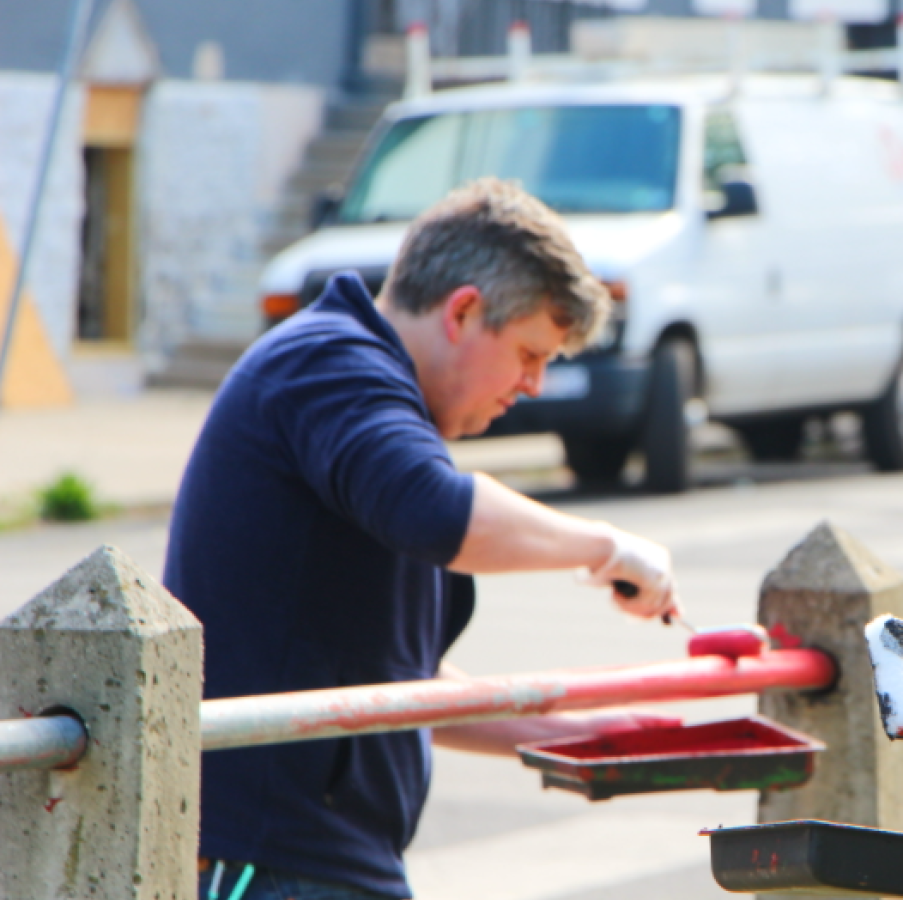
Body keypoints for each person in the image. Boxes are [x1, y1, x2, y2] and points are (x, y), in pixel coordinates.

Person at [165, 178, 685, 900]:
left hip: (323, 863)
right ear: (464, 311)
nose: (533, 385)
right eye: (530, 353)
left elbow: (395, 684)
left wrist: (577, 732)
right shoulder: (328, 368)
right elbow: (441, 515)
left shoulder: (367, 401)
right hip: (269, 863)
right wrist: (604, 547)